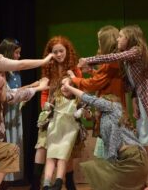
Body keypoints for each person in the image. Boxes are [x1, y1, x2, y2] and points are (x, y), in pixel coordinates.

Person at [78, 24, 148, 190]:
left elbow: (112, 58)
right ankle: (140, 182)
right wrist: (134, 99)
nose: (118, 39)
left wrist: (89, 60)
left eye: (121, 36)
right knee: (140, 143)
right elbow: (128, 82)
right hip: (142, 100)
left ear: (130, 38)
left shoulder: (137, 50)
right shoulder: (125, 59)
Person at [62, 78, 148, 190]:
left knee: (109, 184)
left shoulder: (112, 107)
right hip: (127, 159)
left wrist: (69, 87)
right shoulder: (107, 119)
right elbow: (90, 111)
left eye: (100, 102)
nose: (98, 104)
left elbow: (89, 99)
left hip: (133, 158)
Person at [30, 36, 82, 190]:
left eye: (61, 51)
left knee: (66, 149)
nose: (59, 54)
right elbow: (45, 92)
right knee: (41, 146)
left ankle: (69, 183)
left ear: (67, 51)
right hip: (50, 112)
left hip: (67, 113)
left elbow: (80, 90)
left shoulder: (74, 69)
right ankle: (35, 184)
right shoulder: (48, 68)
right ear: (50, 53)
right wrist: (45, 108)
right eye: (55, 52)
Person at [67, 25, 126, 159]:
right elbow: (104, 80)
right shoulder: (113, 61)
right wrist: (92, 72)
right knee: (107, 150)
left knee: (110, 153)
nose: (98, 44)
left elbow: (95, 84)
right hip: (110, 109)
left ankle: (110, 177)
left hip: (110, 111)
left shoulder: (112, 62)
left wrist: (74, 79)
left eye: (100, 41)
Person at [0, 38, 28, 185]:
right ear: (8, 53)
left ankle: (6, 180)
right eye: (16, 53)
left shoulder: (15, 73)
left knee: (13, 143)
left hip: (14, 114)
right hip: (3, 113)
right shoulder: (1, 71)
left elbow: (16, 92)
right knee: (1, 144)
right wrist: (33, 87)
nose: (18, 56)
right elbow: (7, 94)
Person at [41, 78, 80, 190]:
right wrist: (47, 107)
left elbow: (88, 114)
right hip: (55, 129)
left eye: (68, 84)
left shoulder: (77, 100)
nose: (64, 87)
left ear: (74, 87)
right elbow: (47, 108)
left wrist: (83, 112)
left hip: (69, 131)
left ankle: (58, 182)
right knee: (50, 156)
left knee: (63, 156)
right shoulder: (56, 97)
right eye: (62, 85)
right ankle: (46, 184)